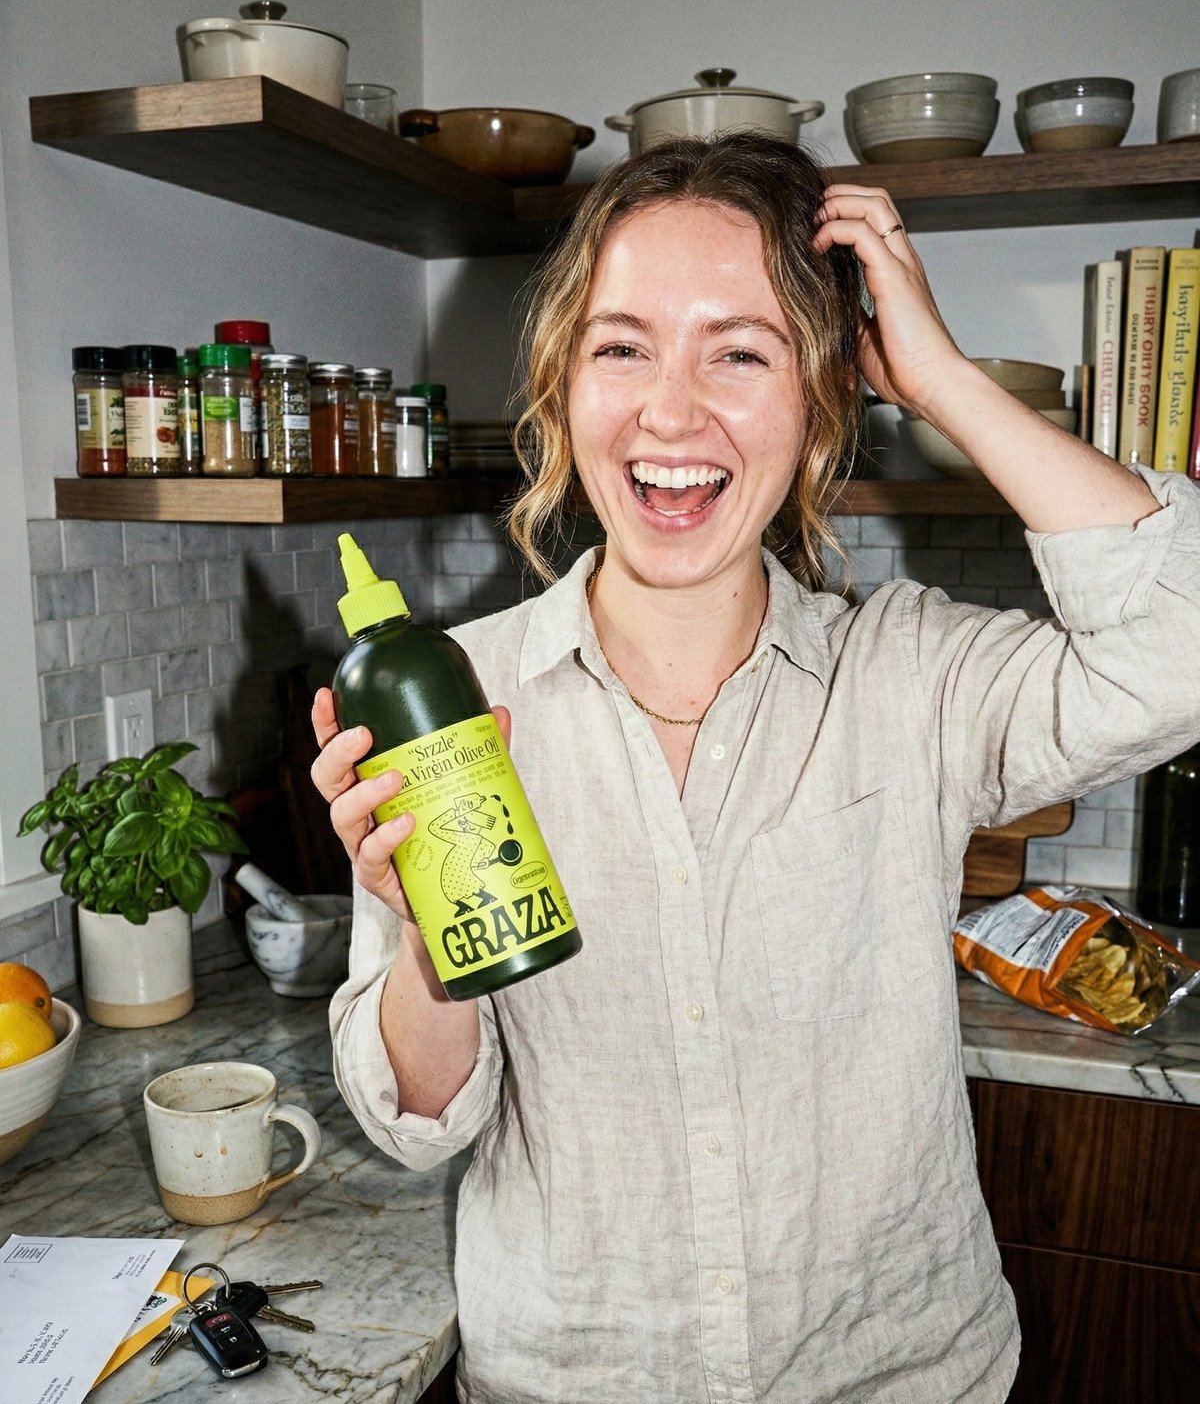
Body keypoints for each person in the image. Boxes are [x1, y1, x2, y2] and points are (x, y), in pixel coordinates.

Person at [310, 134, 1200, 1403]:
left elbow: (1186, 637)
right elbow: (418, 1118)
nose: (672, 413)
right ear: (565, 384)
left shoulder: (915, 675)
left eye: (741, 349)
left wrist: (939, 377)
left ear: (824, 400)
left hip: (897, 1376)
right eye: (621, 346)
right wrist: (419, 937)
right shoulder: (447, 699)